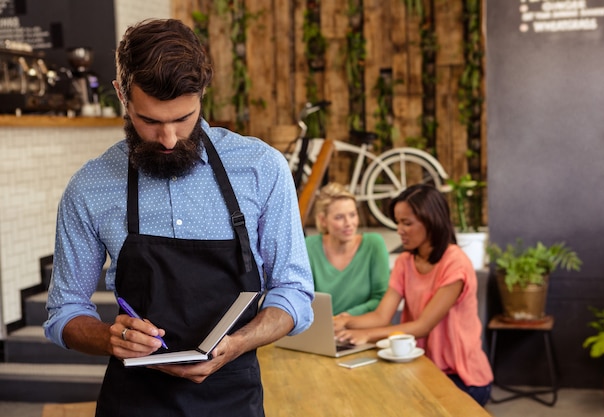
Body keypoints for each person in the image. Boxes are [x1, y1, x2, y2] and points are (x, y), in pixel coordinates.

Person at [43, 18, 314, 417]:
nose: (168, 139)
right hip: (134, 401)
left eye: (183, 119)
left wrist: (238, 343)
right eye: (150, 121)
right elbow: (64, 311)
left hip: (232, 398)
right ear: (121, 94)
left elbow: (293, 292)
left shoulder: (261, 169)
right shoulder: (89, 187)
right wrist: (109, 337)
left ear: (203, 94)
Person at [334, 184, 493, 406]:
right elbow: (381, 315)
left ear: (431, 221)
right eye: (398, 222)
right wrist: (344, 322)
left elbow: (423, 326)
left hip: (462, 378)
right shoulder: (405, 262)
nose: (400, 230)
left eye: (407, 223)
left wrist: (367, 335)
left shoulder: (455, 263)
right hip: (421, 368)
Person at [305, 182, 389, 315]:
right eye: (339, 217)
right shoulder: (309, 246)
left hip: (366, 329)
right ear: (323, 220)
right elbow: (305, 300)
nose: (349, 223)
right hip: (323, 330)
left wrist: (348, 317)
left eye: (352, 215)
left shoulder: (374, 244)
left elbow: (382, 299)